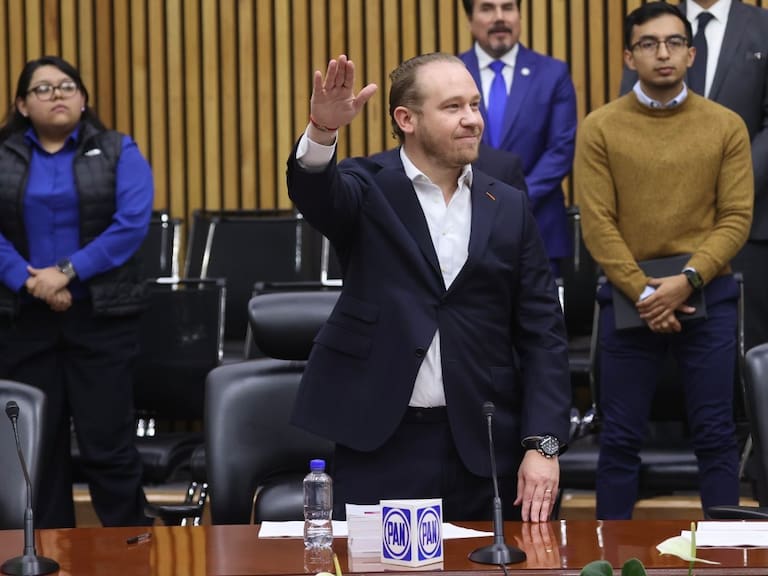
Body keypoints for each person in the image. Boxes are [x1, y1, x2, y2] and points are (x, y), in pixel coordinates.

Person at [287, 52, 571, 523]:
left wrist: (543, 444)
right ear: (407, 119)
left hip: (486, 447)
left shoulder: (509, 204)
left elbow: (544, 333)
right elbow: (316, 194)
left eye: (475, 106)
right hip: (383, 440)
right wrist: (322, 131)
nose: (472, 120)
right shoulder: (366, 185)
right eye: (453, 107)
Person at [575, 3, 753, 519]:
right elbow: (598, 224)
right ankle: (606, 562)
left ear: (691, 53)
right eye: (649, 44)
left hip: (707, 296)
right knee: (620, 439)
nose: (663, 53)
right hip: (631, 300)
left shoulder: (726, 125)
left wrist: (688, 280)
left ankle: (723, 561)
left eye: (674, 42)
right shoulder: (601, 127)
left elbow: (736, 217)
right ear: (629, 57)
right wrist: (648, 292)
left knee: (717, 434)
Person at [0, 56, 154, 528]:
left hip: (101, 321)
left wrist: (65, 273)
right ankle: (41, 554)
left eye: (67, 86)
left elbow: (131, 224)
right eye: (43, 89)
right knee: (33, 454)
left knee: (108, 447)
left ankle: (128, 557)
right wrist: (32, 282)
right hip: (23, 321)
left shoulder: (116, 149)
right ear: (23, 105)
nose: (57, 95)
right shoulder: (2, 155)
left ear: (84, 98)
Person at [620, 0, 768, 352]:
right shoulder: (651, 26)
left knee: (744, 358)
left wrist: (732, 185)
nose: (663, 51)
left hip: (748, 223)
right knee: (665, 365)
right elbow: (630, 118)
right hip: (660, 231)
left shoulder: (762, 26)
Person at [459, 0, 577, 277]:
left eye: (508, 7)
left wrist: (512, 200)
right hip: (462, 222)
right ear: (469, 19)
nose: (500, 17)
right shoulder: (450, 74)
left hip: (538, 226)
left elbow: (560, 150)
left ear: (520, 15)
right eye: (487, 8)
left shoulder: (552, 73)